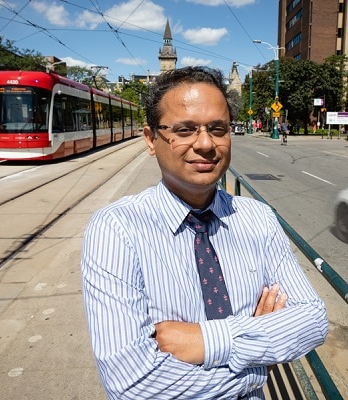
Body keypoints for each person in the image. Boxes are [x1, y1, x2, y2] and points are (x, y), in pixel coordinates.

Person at [81, 66, 329, 399]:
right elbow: (133, 386)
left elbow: (312, 319)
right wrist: (256, 366)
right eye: (184, 130)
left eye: (217, 128)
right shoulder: (117, 230)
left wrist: (207, 341)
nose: (205, 143)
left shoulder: (258, 219)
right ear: (151, 139)